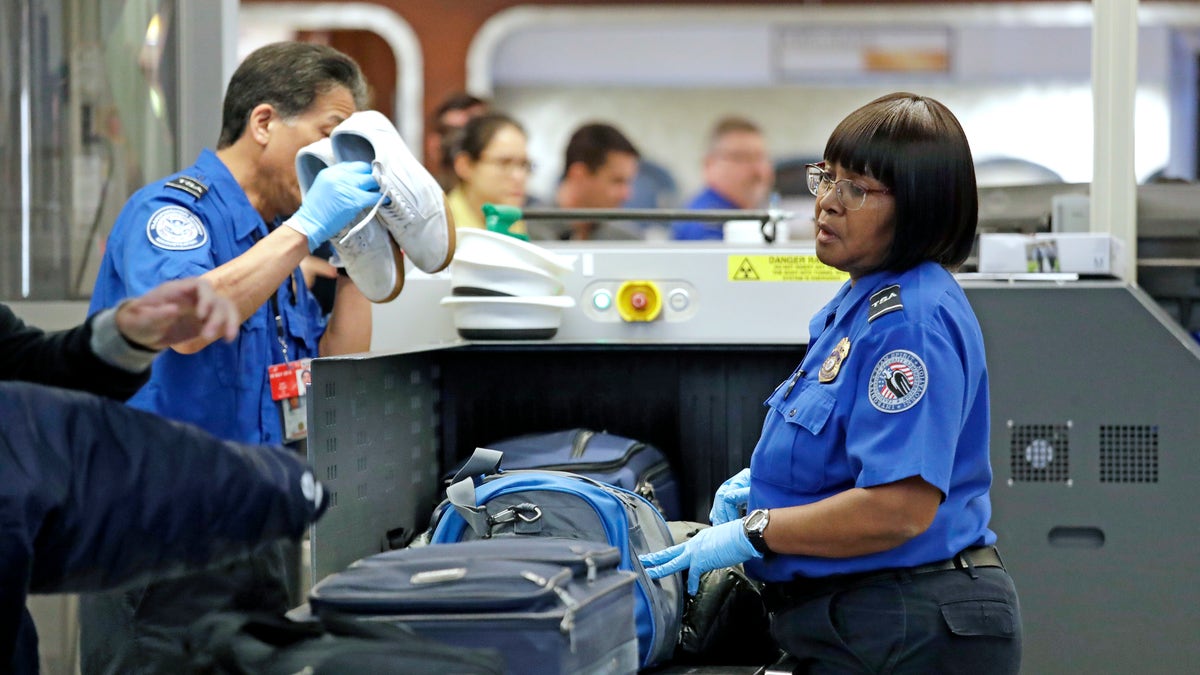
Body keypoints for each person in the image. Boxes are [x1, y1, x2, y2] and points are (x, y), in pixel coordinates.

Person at [641, 92, 1022, 673]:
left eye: (857, 190)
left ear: (919, 207)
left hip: (905, 622)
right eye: (826, 178)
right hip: (861, 618)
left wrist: (759, 529)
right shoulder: (859, 303)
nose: (826, 203)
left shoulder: (908, 322)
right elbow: (845, 448)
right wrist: (770, 484)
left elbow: (899, 508)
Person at [81, 41, 392, 672]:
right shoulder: (172, 213)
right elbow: (187, 327)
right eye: (331, 136)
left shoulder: (276, 244)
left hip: (258, 531)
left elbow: (335, 366)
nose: (337, 161)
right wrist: (305, 227)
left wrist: (361, 258)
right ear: (265, 122)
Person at [528, 122, 641, 241]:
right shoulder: (527, 234)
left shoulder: (626, 241)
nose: (626, 194)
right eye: (617, 181)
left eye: (628, 182)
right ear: (579, 175)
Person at [671, 116, 774, 241]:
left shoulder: (745, 214)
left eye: (761, 157)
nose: (757, 170)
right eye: (742, 158)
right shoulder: (706, 222)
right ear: (709, 165)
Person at [446, 112, 530, 237]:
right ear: (465, 165)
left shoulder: (516, 222)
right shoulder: (441, 232)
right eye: (504, 163)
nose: (519, 177)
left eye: (523, 165)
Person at [425, 91, 489, 191]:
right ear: (433, 144)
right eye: (450, 132)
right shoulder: (421, 200)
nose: (459, 141)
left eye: (472, 132)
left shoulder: (509, 200)